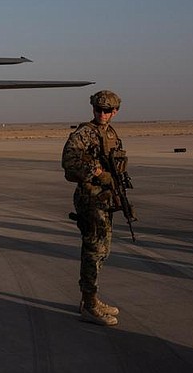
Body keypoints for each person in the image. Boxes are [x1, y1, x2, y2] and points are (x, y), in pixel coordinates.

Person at [61, 90, 125, 326]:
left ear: (115, 111)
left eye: (107, 111)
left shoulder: (110, 134)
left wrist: (117, 190)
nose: (102, 114)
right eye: (98, 109)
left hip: (105, 199)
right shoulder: (84, 133)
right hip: (90, 199)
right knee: (93, 251)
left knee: (102, 251)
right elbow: (68, 162)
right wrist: (97, 174)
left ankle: (91, 298)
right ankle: (89, 304)